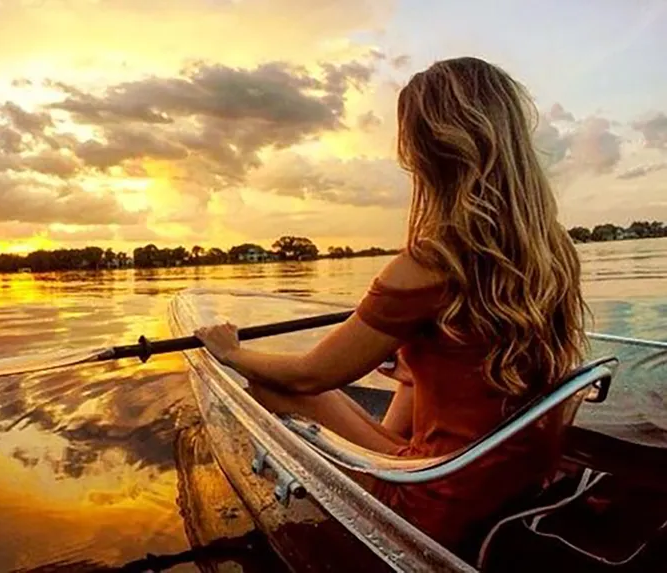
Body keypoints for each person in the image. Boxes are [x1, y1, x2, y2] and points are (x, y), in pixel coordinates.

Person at [193, 56, 588, 552]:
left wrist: (229, 350)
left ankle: (353, 502)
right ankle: (387, 448)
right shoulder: (554, 250)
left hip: (438, 499)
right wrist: (415, 357)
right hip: (514, 484)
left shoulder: (432, 261)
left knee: (262, 386)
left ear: (426, 150)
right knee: (406, 371)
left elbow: (310, 375)